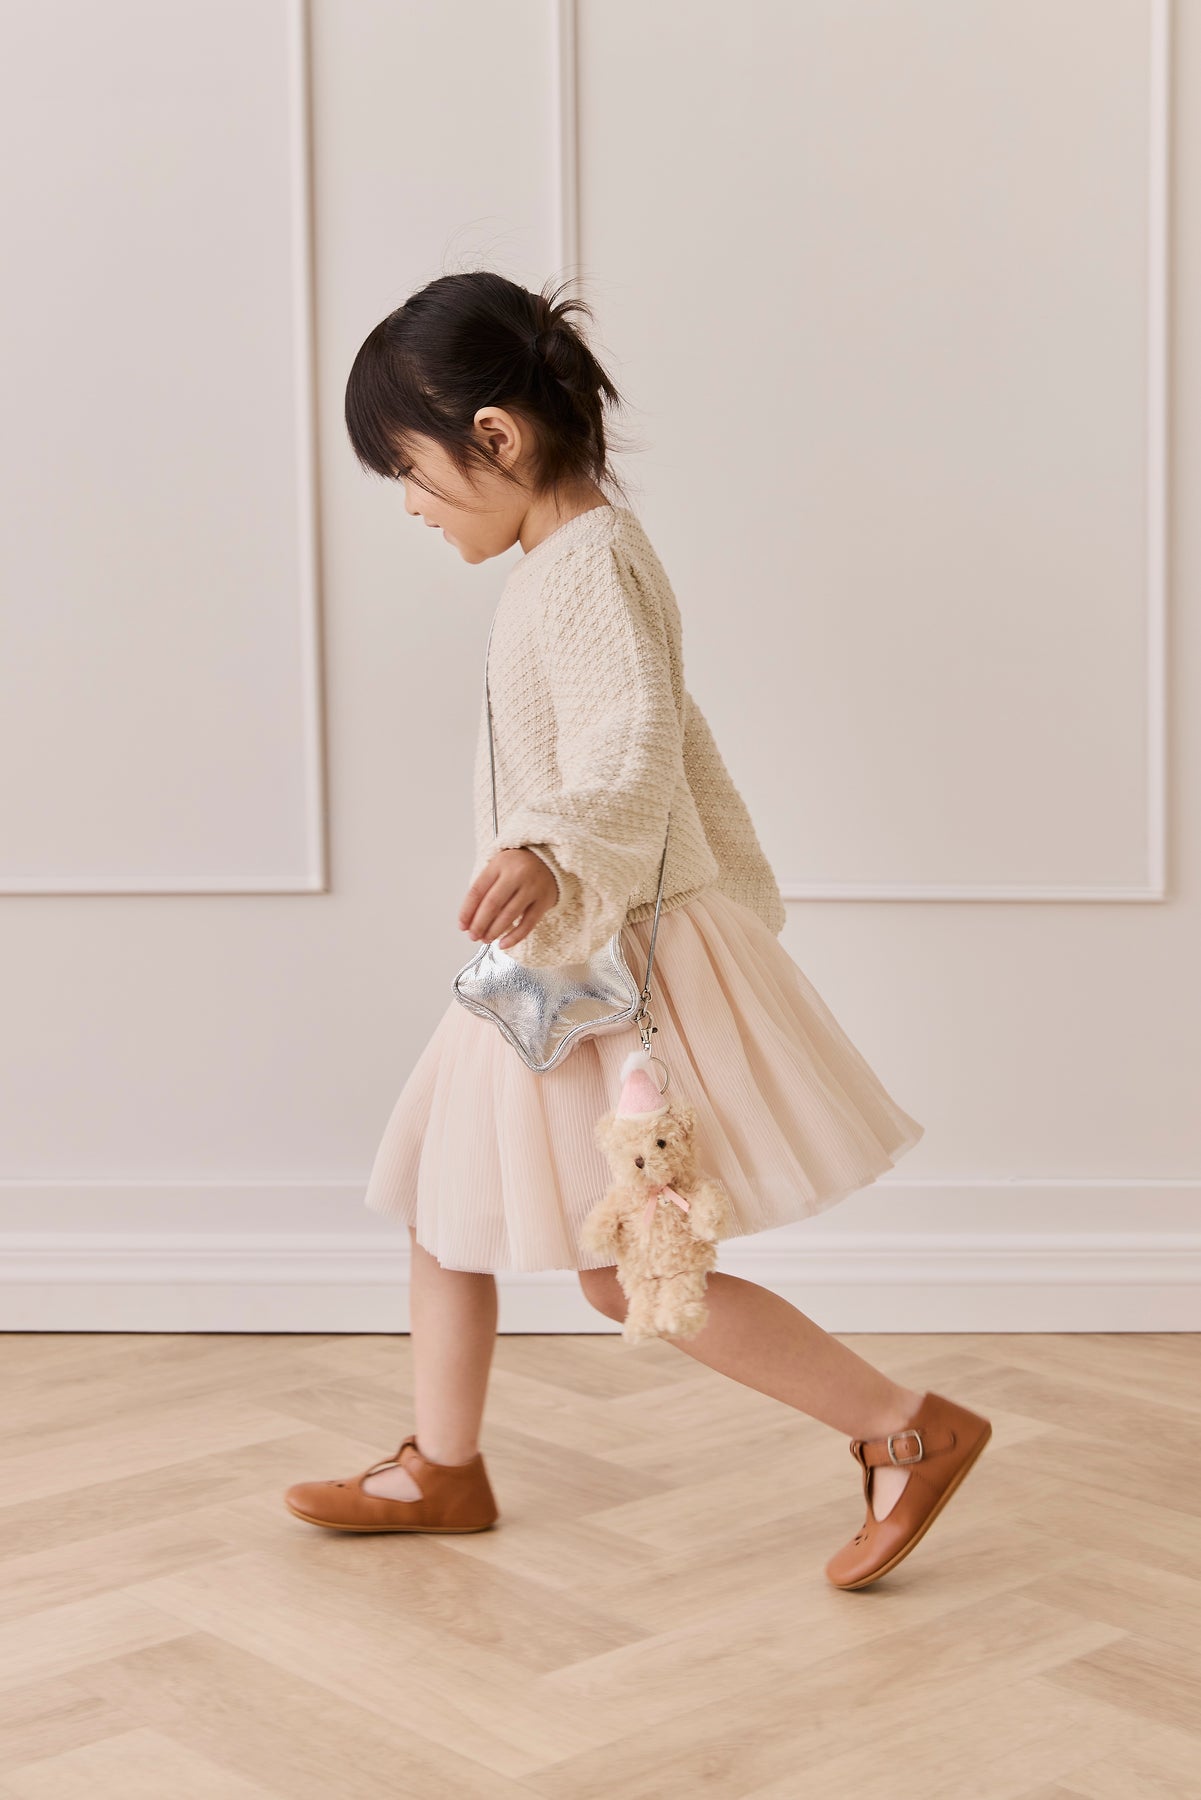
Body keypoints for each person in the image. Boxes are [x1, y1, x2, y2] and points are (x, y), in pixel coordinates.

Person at [282, 270, 991, 1587]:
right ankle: (443, 1465)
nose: (411, 504)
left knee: (629, 1266)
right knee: (446, 1200)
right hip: (558, 954)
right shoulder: (561, 563)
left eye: (412, 472)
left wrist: (549, 847)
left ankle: (908, 1430)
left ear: (496, 436)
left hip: (607, 956)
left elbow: (636, 740)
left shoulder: (590, 566)